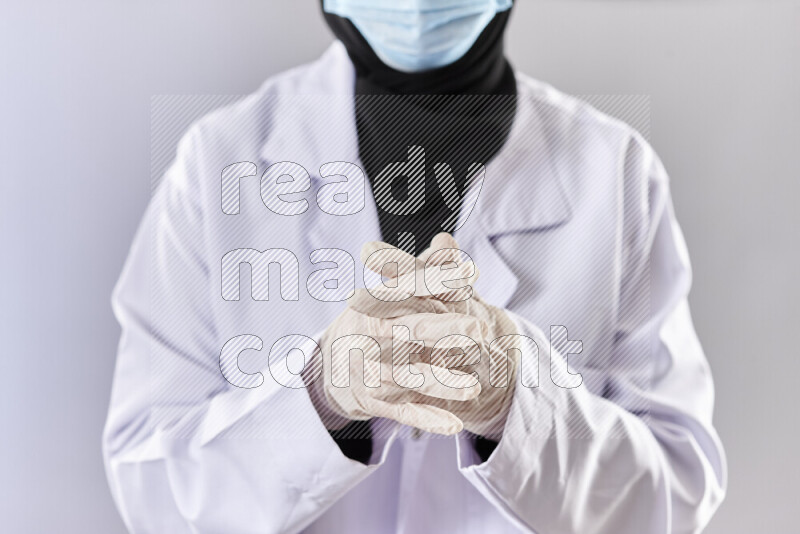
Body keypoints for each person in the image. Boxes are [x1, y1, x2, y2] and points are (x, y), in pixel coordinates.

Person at [103, 1, 727, 532]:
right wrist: (319, 398)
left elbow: (674, 492)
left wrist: (518, 408)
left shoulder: (614, 170)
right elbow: (149, 488)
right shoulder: (220, 163)